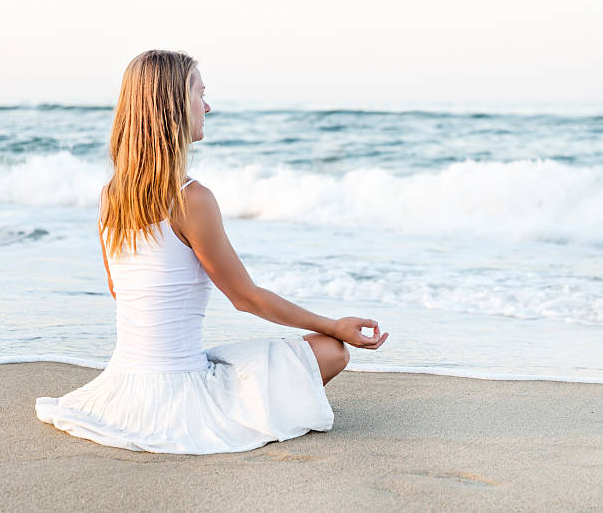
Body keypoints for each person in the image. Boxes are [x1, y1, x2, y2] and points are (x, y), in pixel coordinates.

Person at [35, 49, 389, 455]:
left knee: (237, 358)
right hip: (178, 390)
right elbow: (246, 298)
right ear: (172, 105)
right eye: (199, 93)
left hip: (122, 382)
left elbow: (118, 289)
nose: (207, 106)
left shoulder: (110, 196)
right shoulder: (192, 199)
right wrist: (334, 325)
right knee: (331, 350)